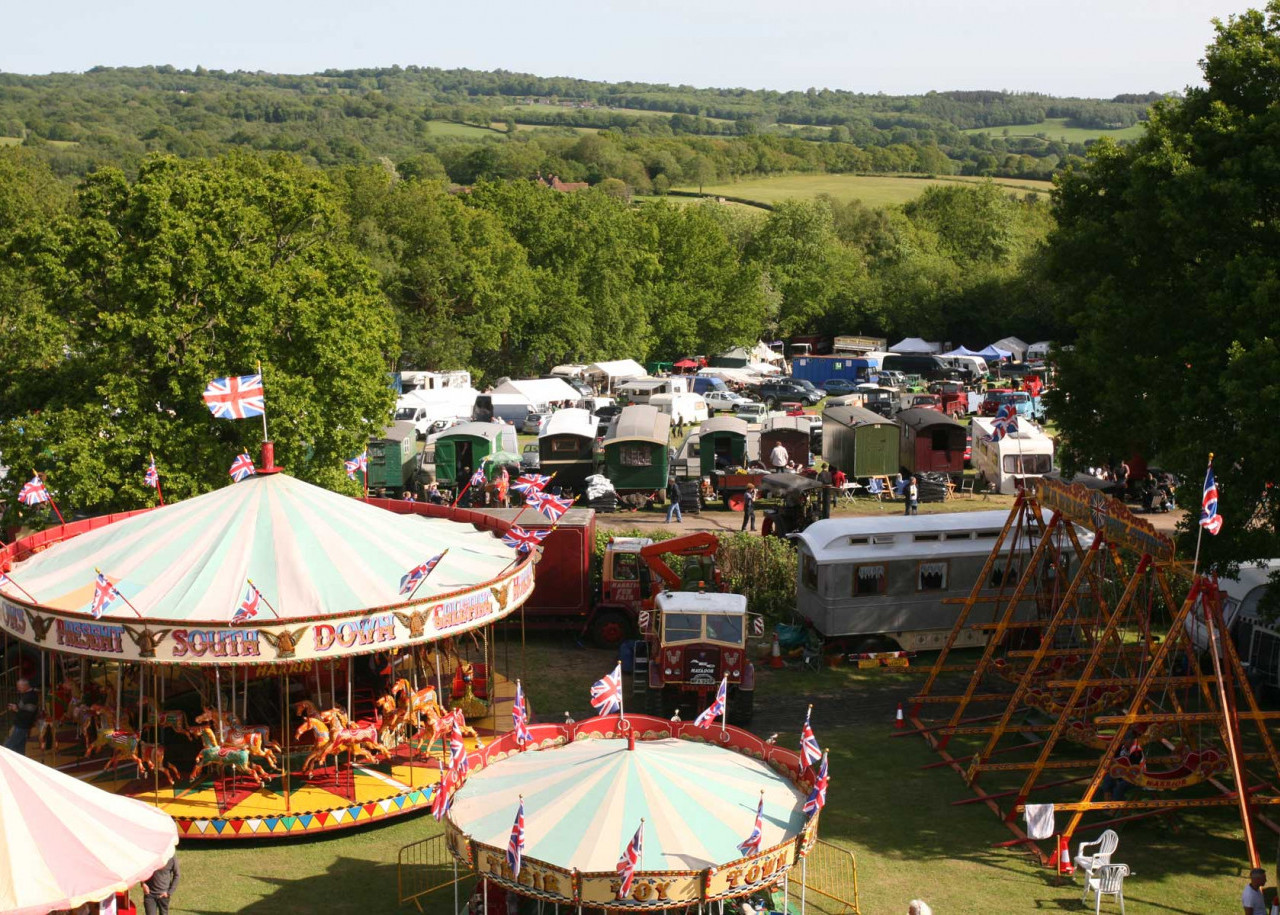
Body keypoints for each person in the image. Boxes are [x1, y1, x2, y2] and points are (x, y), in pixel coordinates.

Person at [5, 678, 39, 755]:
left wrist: (16, 709)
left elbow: (28, 714)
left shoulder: (31, 697)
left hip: (22, 726)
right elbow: (23, 708)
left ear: (25, 686)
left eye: (19, 687)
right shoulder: (27, 695)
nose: (18, 689)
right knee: (19, 750)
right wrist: (16, 707)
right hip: (22, 725)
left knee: (8, 746)